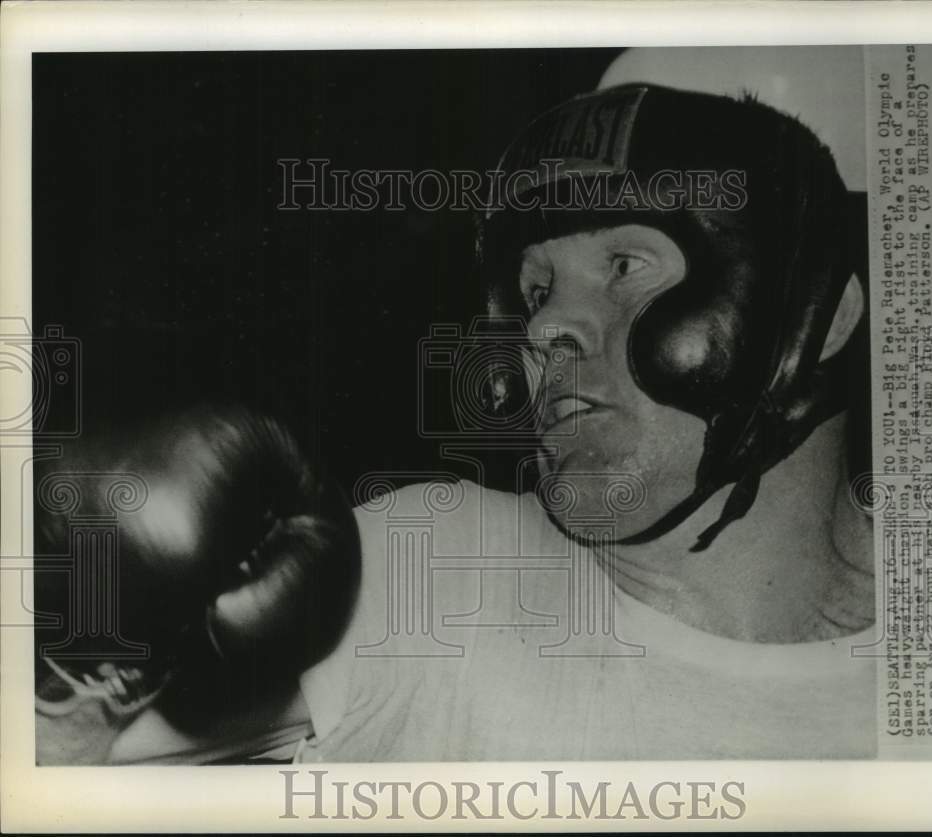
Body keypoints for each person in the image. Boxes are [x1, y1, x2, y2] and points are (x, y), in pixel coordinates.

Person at [35, 58, 877, 764]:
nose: (544, 325)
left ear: (817, 319)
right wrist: (98, 648)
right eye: (536, 288)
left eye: (625, 264)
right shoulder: (441, 567)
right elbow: (42, 760)